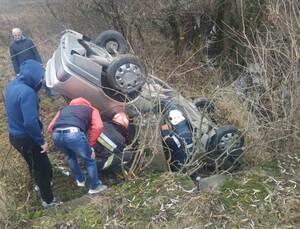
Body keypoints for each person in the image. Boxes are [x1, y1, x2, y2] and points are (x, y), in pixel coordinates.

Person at [4, 59, 55, 208]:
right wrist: (41, 141)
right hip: (27, 138)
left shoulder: (12, 85)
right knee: (42, 168)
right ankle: (48, 200)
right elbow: (30, 122)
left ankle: (40, 185)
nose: (41, 81)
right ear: (33, 77)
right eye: (40, 78)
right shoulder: (28, 93)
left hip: (14, 136)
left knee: (32, 163)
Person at [47, 97, 107, 194]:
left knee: (70, 156)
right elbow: (98, 126)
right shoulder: (91, 109)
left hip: (56, 134)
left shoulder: (63, 109)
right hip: (74, 133)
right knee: (90, 159)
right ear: (87, 103)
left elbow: (50, 128)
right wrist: (90, 144)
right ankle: (95, 187)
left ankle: (80, 180)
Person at [9, 27, 52, 97]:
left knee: (42, 78)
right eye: (15, 35)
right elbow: (14, 60)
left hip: (34, 64)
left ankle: (49, 93)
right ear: (13, 36)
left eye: (18, 35)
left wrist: (40, 63)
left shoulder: (28, 41)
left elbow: (36, 52)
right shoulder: (12, 46)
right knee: (31, 82)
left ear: (21, 33)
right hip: (24, 67)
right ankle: (35, 96)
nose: (17, 37)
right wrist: (17, 72)